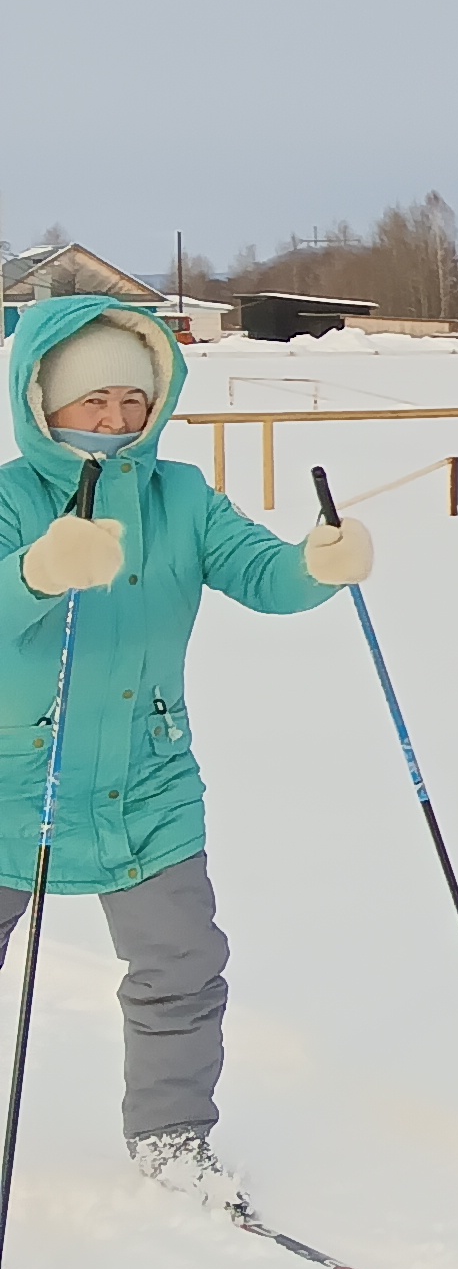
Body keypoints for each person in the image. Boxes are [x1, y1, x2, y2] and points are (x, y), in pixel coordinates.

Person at [0, 301, 372, 1209]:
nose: (119, 420)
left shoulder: (182, 496)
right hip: (15, 779)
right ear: (45, 403)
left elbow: (262, 575)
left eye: (134, 398)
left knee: (181, 967)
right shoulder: (10, 499)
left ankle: (171, 1140)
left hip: (148, 779)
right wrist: (36, 572)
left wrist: (318, 564)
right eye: (95, 401)